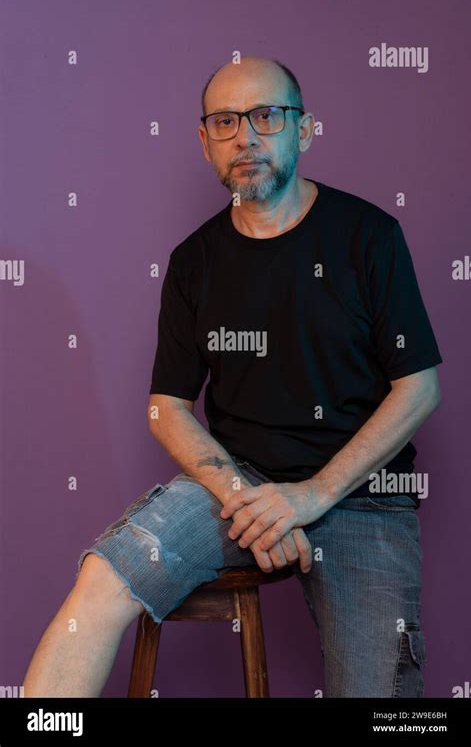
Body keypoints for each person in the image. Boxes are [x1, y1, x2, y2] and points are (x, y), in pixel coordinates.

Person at [23, 56, 442, 698]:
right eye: (225, 121)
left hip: (361, 492)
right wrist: (246, 502)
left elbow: (419, 387)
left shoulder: (370, 236)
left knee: (384, 701)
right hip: (236, 486)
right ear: (204, 141)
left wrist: (310, 496)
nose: (245, 136)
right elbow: (167, 405)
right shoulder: (193, 262)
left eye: (266, 116)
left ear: (302, 131)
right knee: (101, 580)